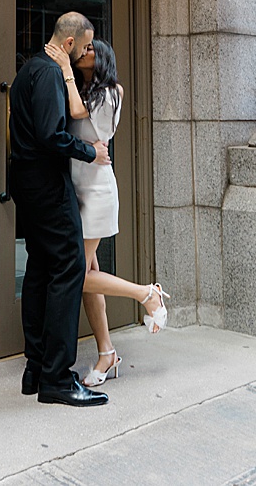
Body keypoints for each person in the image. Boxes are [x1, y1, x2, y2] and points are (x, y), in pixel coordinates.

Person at [45, 37, 169, 387]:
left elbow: (78, 115)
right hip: (77, 189)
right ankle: (107, 353)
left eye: (89, 50)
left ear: (102, 59)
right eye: (81, 49)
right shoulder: (83, 90)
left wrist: (65, 68)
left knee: (76, 275)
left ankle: (146, 293)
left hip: (97, 192)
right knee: (87, 277)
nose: (83, 53)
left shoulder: (112, 92)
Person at [9, 11, 112, 407]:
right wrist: (89, 151)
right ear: (69, 43)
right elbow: (51, 134)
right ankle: (57, 378)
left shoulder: (27, 70)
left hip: (26, 183)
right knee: (69, 267)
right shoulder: (51, 73)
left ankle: (35, 369)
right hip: (48, 184)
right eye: (84, 47)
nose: (87, 53)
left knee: (39, 268)